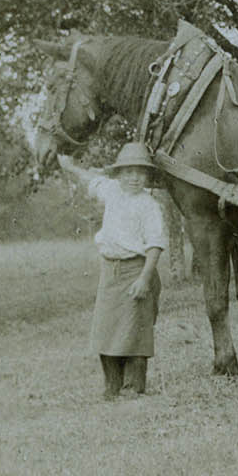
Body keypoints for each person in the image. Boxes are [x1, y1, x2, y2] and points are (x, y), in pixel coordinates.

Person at [59, 142, 168, 399]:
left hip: (136, 270)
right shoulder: (111, 191)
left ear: (147, 176)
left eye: (140, 173)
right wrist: (68, 166)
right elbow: (89, 179)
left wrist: (145, 278)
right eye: (128, 172)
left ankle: (133, 387)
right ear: (118, 174)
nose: (133, 178)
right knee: (106, 330)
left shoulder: (149, 205)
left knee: (135, 332)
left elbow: (155, 245)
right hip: (110, 271)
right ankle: (112, 386)